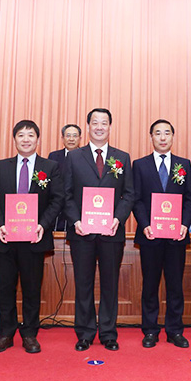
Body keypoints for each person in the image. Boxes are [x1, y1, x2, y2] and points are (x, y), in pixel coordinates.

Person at [0, 120, 63, 354]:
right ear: (14, 139)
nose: (26, 139)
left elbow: (57, 199)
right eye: (21, 135)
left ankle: (29, 334)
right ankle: (5, 334)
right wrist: (0, 225)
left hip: (34, 239)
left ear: (37, 139)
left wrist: (42, 225)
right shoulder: (1, 166)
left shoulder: (50, 167)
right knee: (5, 288)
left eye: (30, 135)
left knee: (31, 289)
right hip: (6, 237)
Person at [63, 108, 134, 352]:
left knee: (110, 285)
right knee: (83, 284)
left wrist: (118, 218)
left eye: (104, 123)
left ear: (110, 127)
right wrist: (75, 221)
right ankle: (84, 333)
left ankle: (108, 333)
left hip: (111, 232)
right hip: (82, 233)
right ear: (88, 127)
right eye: (95, 122)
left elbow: (129, 194)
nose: (100, 127)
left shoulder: (122, 157)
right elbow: (66, 194)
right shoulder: (74, 157)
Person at [132, 119, 191, 348]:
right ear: (151, 137)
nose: (162, 137)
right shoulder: (140, 165)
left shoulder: (184, 164)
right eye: (157, 133)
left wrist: (185, 224)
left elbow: (190, 198)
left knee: (175, 285)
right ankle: (150, 330)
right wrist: (144, 224)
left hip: (176, 236)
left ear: (172, 137)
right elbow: (136, 199)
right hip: (150, 235)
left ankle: (174, 330)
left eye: (167, 133)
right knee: (150, 285)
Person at [47, 124, 81, 231]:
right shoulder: (53, 156)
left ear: (80, 139)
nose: (71, 139)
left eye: (74, 136)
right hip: (58, 206)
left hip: (77, 205)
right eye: (68, 135)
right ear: (62, 138)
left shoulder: (86, 156)